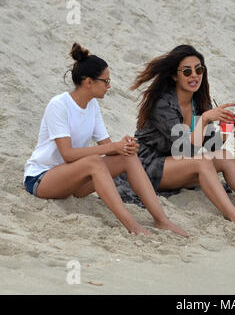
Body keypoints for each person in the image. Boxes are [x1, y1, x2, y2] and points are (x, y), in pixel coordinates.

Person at [23, 43, 187, 237]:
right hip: (42, 178)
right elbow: (67, 154)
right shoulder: (59, 104)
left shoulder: (92, 106)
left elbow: (107, 148)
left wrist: (123, 146)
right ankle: (133, 227)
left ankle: (162, 220)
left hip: (74, 181)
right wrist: (113, 148)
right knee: (94, 162)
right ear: (88, 82)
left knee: (128, 157)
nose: (109, 86)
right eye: (105, 81)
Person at [125, 44, 235, 226]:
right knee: (202, 162)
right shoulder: (162, 104)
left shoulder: (198, 102)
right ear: (175, 76)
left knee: (224, 156)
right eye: (187, 71)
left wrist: (226, 129)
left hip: (179, 161)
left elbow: (209, 147)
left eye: (199, 70)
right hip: (148, 165)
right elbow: (183, 147)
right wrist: (205, 119)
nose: (194, 75)